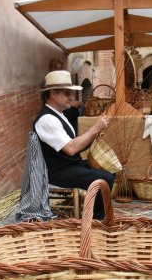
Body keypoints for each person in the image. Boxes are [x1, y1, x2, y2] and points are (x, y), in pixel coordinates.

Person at [34, 70, 114, 219]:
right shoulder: (46, 120)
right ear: (52, 93)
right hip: (57, 172)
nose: (72, 96)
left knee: (109, 170)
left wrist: (94, 136)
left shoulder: (60, 115)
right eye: (67, 93)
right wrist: (94, 128)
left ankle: (96, 212)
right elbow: (71, 149)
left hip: (69, 165)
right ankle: (96, 220)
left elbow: (75, 146)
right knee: (105, 179)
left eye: (72, 92)